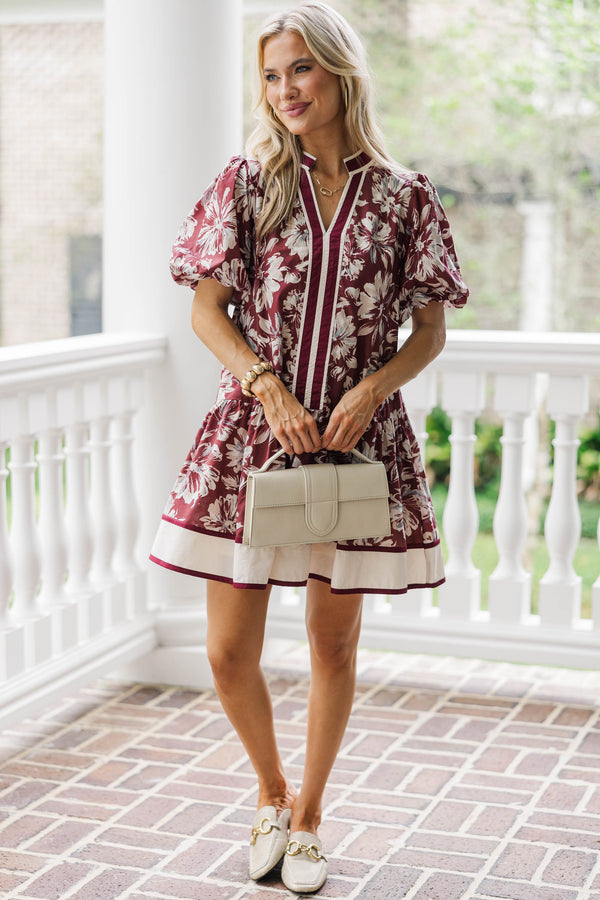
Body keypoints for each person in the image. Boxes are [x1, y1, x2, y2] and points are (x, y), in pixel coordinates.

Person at [150, 0, 468, 892]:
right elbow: (206, 311)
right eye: (271, 74)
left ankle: (311, 819)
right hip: (253, 434)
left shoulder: (406, 197)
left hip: (354, 444)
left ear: (340, 71)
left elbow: (429, 330)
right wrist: (265, 385)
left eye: (302, 69)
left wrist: (374, 388)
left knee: (333, 642)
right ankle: (269, 789)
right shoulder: (249, 181)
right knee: (226, 649)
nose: (286, 89)